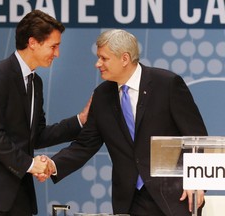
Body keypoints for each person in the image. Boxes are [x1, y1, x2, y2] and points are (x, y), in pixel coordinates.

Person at [43, 29, 208, 215]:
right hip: (131, 200)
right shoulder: (102, 96)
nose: (98, 64)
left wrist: (197, 182)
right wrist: (53, 165)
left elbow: (197, 137)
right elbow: (85, 145)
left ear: (125, 58)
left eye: (104, 58)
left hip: (176, 197)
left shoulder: (167, 84)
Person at [0, 9, 90, 216]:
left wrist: (80, 120)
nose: (57, 53)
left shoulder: (36, 82)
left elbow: (37, 135)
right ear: (33, 42)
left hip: (17, 192)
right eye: (53, 46)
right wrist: (30, 164)